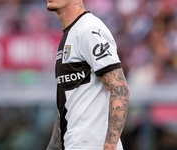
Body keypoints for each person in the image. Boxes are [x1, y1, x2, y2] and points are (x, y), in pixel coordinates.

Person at [46, 0, 130, 149]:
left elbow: (120, 88)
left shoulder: (89, 28)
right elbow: (71, 102)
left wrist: (110, 145)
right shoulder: (71, 34)